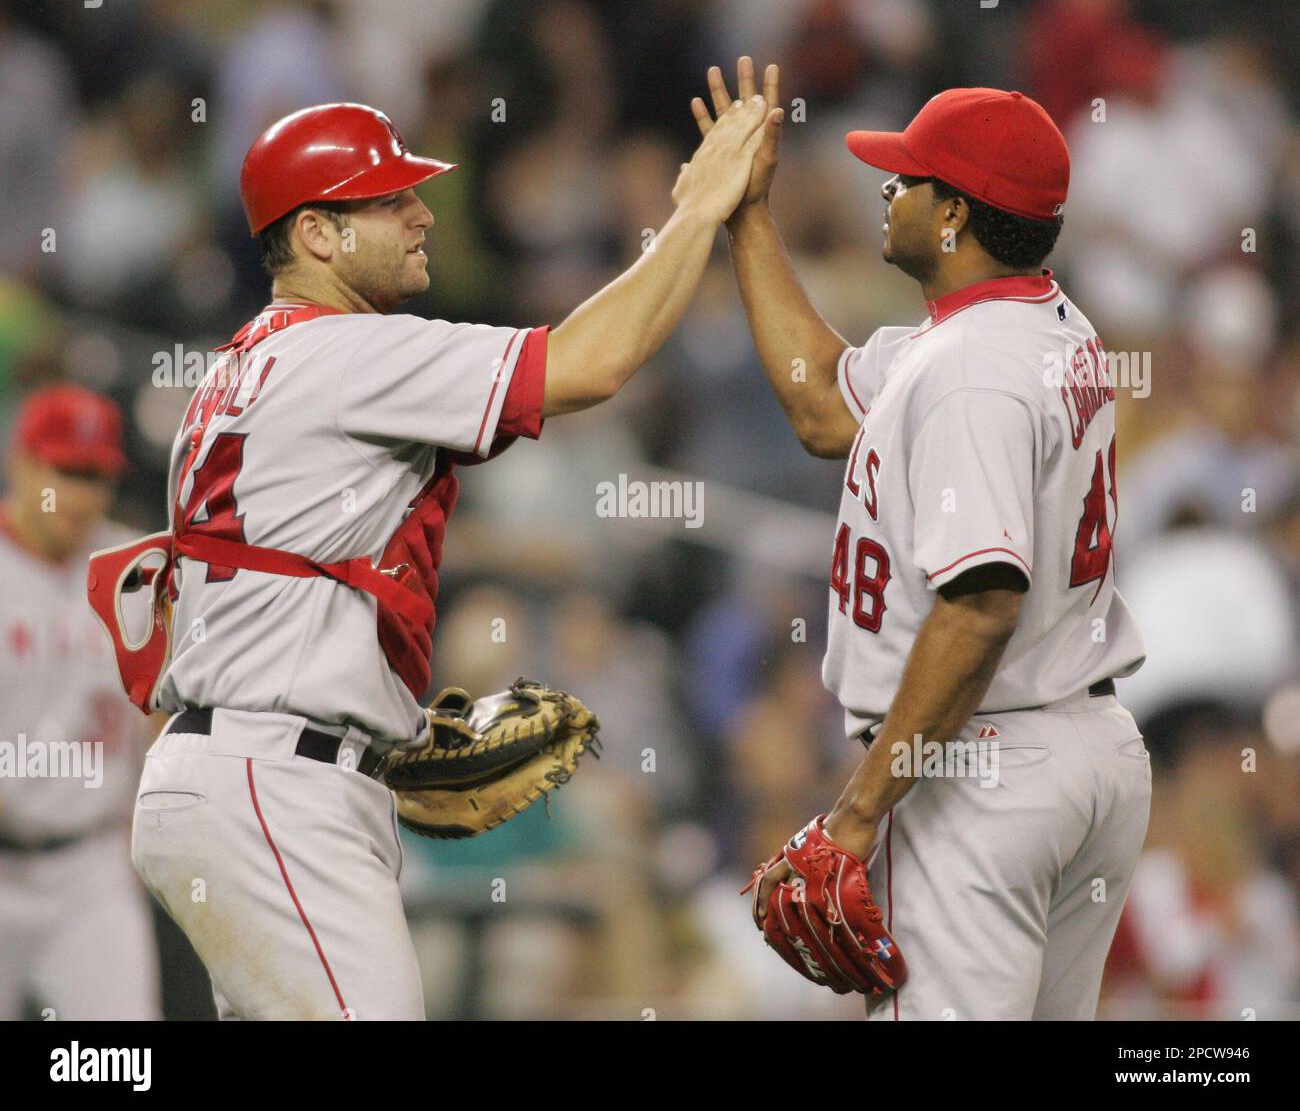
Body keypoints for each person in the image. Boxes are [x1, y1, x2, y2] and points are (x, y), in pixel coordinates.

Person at [114, 97, 769, 1020]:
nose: (422, 215)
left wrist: (390, 729)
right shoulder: (347, 352)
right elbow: (589, 364)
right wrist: (698, 209)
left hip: (240, 772)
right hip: (278, 784)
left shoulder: (231, 371)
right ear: (316, 234)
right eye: (388, 199)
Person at [701, 58, 1151, 1019]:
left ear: (954, 215)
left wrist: (856, 814)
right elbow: (824, 405)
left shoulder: (971, 371)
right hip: (1076, 746)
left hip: (985, 762)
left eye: (908, 177)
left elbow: (982, 603)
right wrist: (748, 216)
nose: (887, 188)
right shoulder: (1028, 327)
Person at [0, 385, 160, 1020]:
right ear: (22, 464)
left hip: (90, 870)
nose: (83, 496)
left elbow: (165, 709)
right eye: (66, 471)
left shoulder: (135, 572)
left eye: (97, 477)